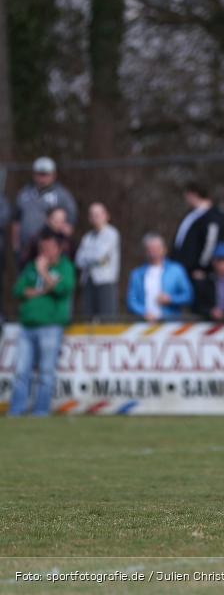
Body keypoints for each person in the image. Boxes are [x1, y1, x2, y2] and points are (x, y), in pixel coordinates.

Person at [8, 230, 75, 416]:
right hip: (27, 326)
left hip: (51, 327)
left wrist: (44, 273)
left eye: (49, 247)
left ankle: (40, 411)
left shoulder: (65, 267)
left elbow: (63, 289)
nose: (45, 251)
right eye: (42, 247)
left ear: (58, 248)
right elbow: (19, 291)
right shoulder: (30, 267)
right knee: (21, 371)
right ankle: (16, 410)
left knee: (46, 372)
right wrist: (44, 289)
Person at [12, 157, 77, 268]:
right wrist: (16, 245)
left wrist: (60, 244)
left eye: (46, 174)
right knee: (26, 280)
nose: (42, 177)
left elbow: (70, 222)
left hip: (51, 251)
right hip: (27, 249)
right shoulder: (24, 193)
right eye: (39, 173)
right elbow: (16, 220)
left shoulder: (62, 195)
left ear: (53, 174)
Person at [126, 233, 193, 321]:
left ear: (164, 250)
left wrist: (171, 299)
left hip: (170, 322)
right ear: (145, 252)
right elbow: (132, 300)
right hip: (144, 323)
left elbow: (188, 295)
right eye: (150, 250)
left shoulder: (176, 270)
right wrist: (143, 312)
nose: (153, 253)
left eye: (156, 249)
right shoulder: (137, 274)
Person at [170, 182, 224, 285]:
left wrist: (203, 267)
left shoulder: (212, 216)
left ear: (193, 194)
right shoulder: (193, 214)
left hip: (196, 272)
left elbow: (211, 243)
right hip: (181, 269)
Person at [74, 203, 120, 319]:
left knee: (106, 318)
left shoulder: (111, 234)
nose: (95, 218)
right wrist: (95, 258)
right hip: (88, 280)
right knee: (88, 318)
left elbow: (99, 256)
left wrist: (89, 257)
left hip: (105, 281)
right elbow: (78, 260)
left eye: (98, 215)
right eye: (92, 215)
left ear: (106, 216)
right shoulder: (87, 237)